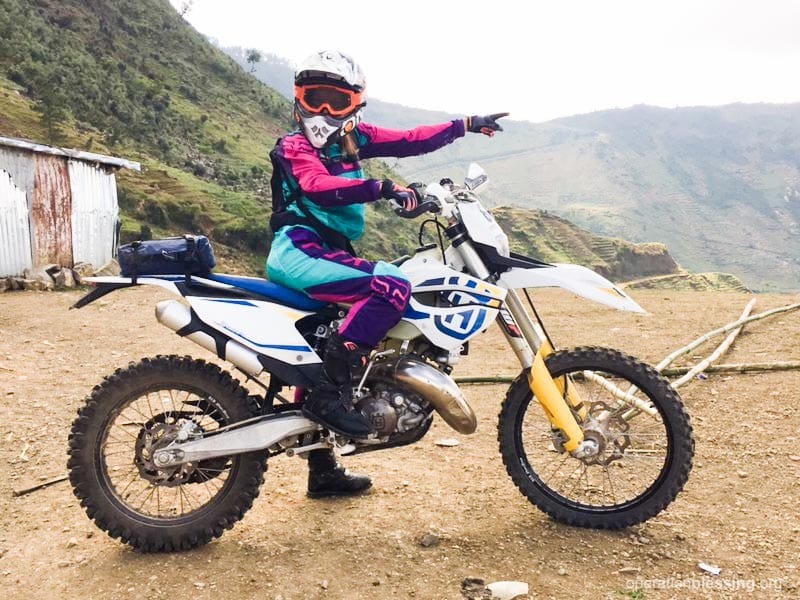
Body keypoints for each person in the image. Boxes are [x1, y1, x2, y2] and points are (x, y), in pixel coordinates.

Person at [267, 50, 506, 497]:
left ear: (354, 104)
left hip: (326, 251)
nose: (322, 111)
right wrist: (384, 188)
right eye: (313, 98)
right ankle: (330, 398)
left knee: (320, 349)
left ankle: (322, 471)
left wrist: (465, 125)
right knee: (392, 286)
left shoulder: (355, 140)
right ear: (299, 98)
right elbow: (318, 187)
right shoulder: (293, 146)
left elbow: (413, 139)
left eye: (334, 101)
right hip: (299, 249)